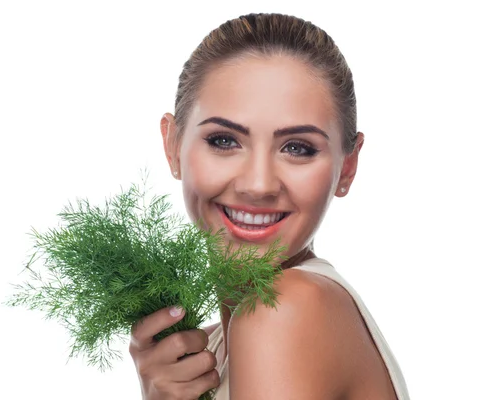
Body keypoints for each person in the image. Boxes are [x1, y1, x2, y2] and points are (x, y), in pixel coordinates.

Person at [129, 13, 410, 400]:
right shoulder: (211, 345)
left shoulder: (282, 311)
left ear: (348, 166)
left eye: (297, 148)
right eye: (225, 141)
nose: (258, 185)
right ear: (173, 145)